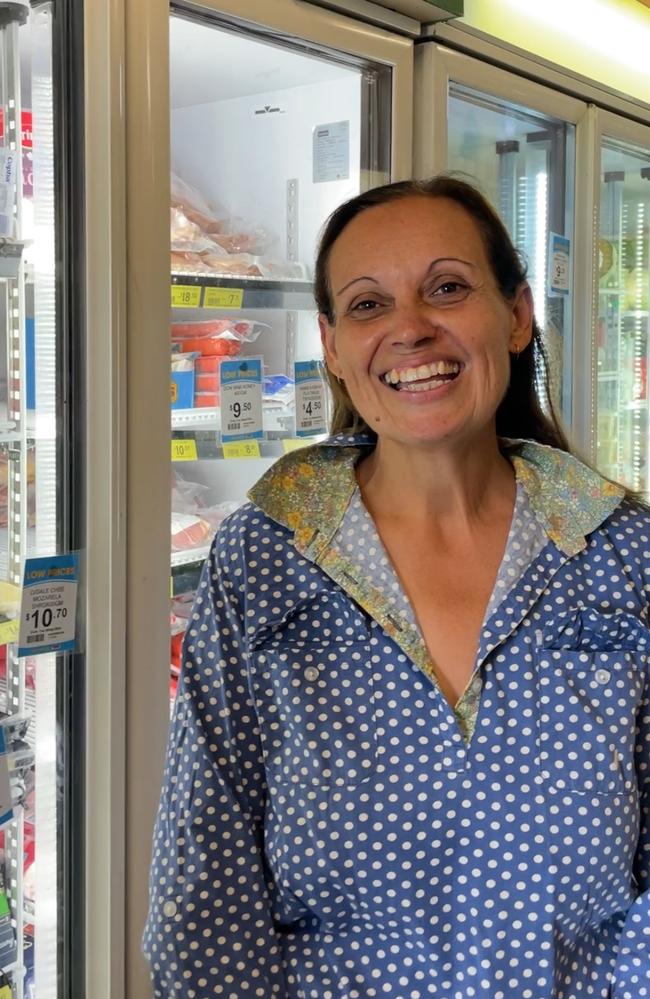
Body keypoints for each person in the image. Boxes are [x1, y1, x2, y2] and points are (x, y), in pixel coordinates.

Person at [143, 176, 650, 999]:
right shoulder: (267, 556)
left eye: (447, 288)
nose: (411, 329)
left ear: (516, 315)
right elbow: (205, 887)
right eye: (368, 305)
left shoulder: (624, 555)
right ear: (334, 347)